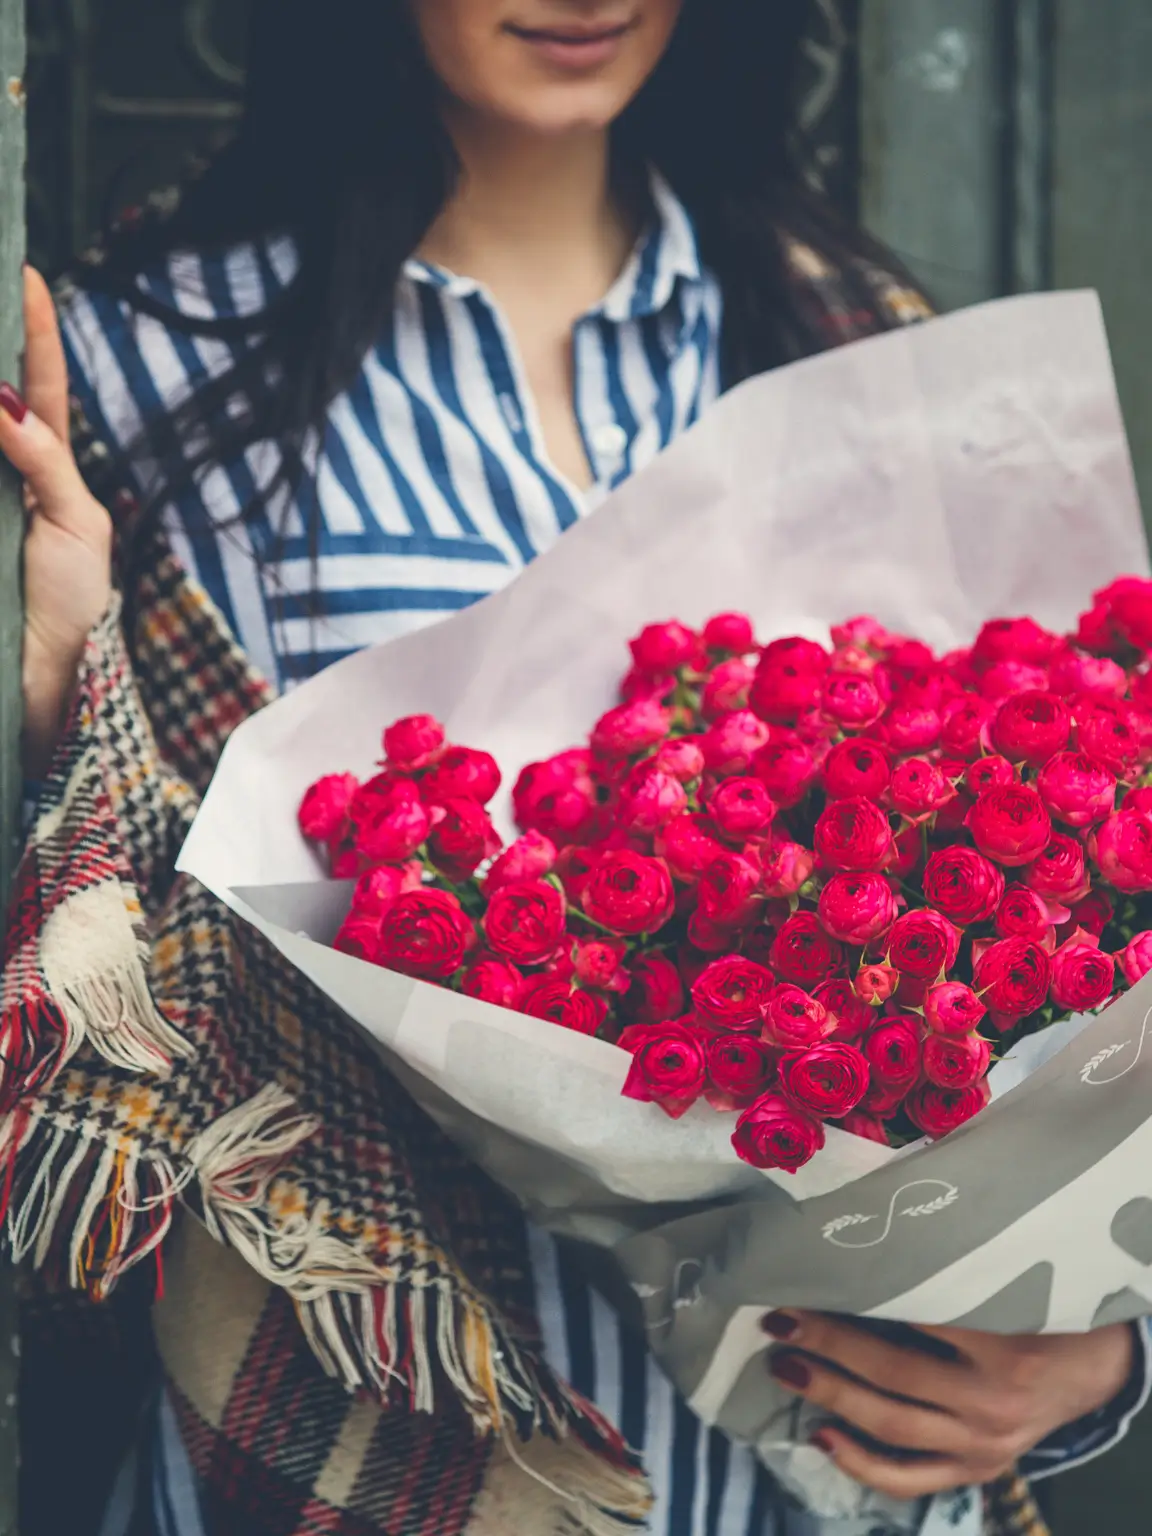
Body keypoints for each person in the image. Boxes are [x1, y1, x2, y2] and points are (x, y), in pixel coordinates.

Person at [0, 3, 1146, 1534]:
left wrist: (1094, 1357)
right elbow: (132, 985)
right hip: (386, 1438)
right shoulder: (146, 366)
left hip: (824, 1471)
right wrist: (55, 702)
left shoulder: (844, 329)